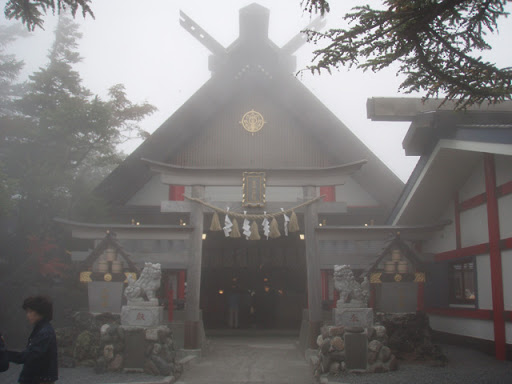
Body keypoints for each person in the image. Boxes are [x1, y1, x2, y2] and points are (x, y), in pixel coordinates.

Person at [8, 296, 58, 384]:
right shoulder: (42, 329)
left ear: (40, 312)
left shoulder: (44, 332)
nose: (28, 315)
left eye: (30, 311)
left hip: (39, 379)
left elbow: (30, 355)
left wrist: (5, 354)